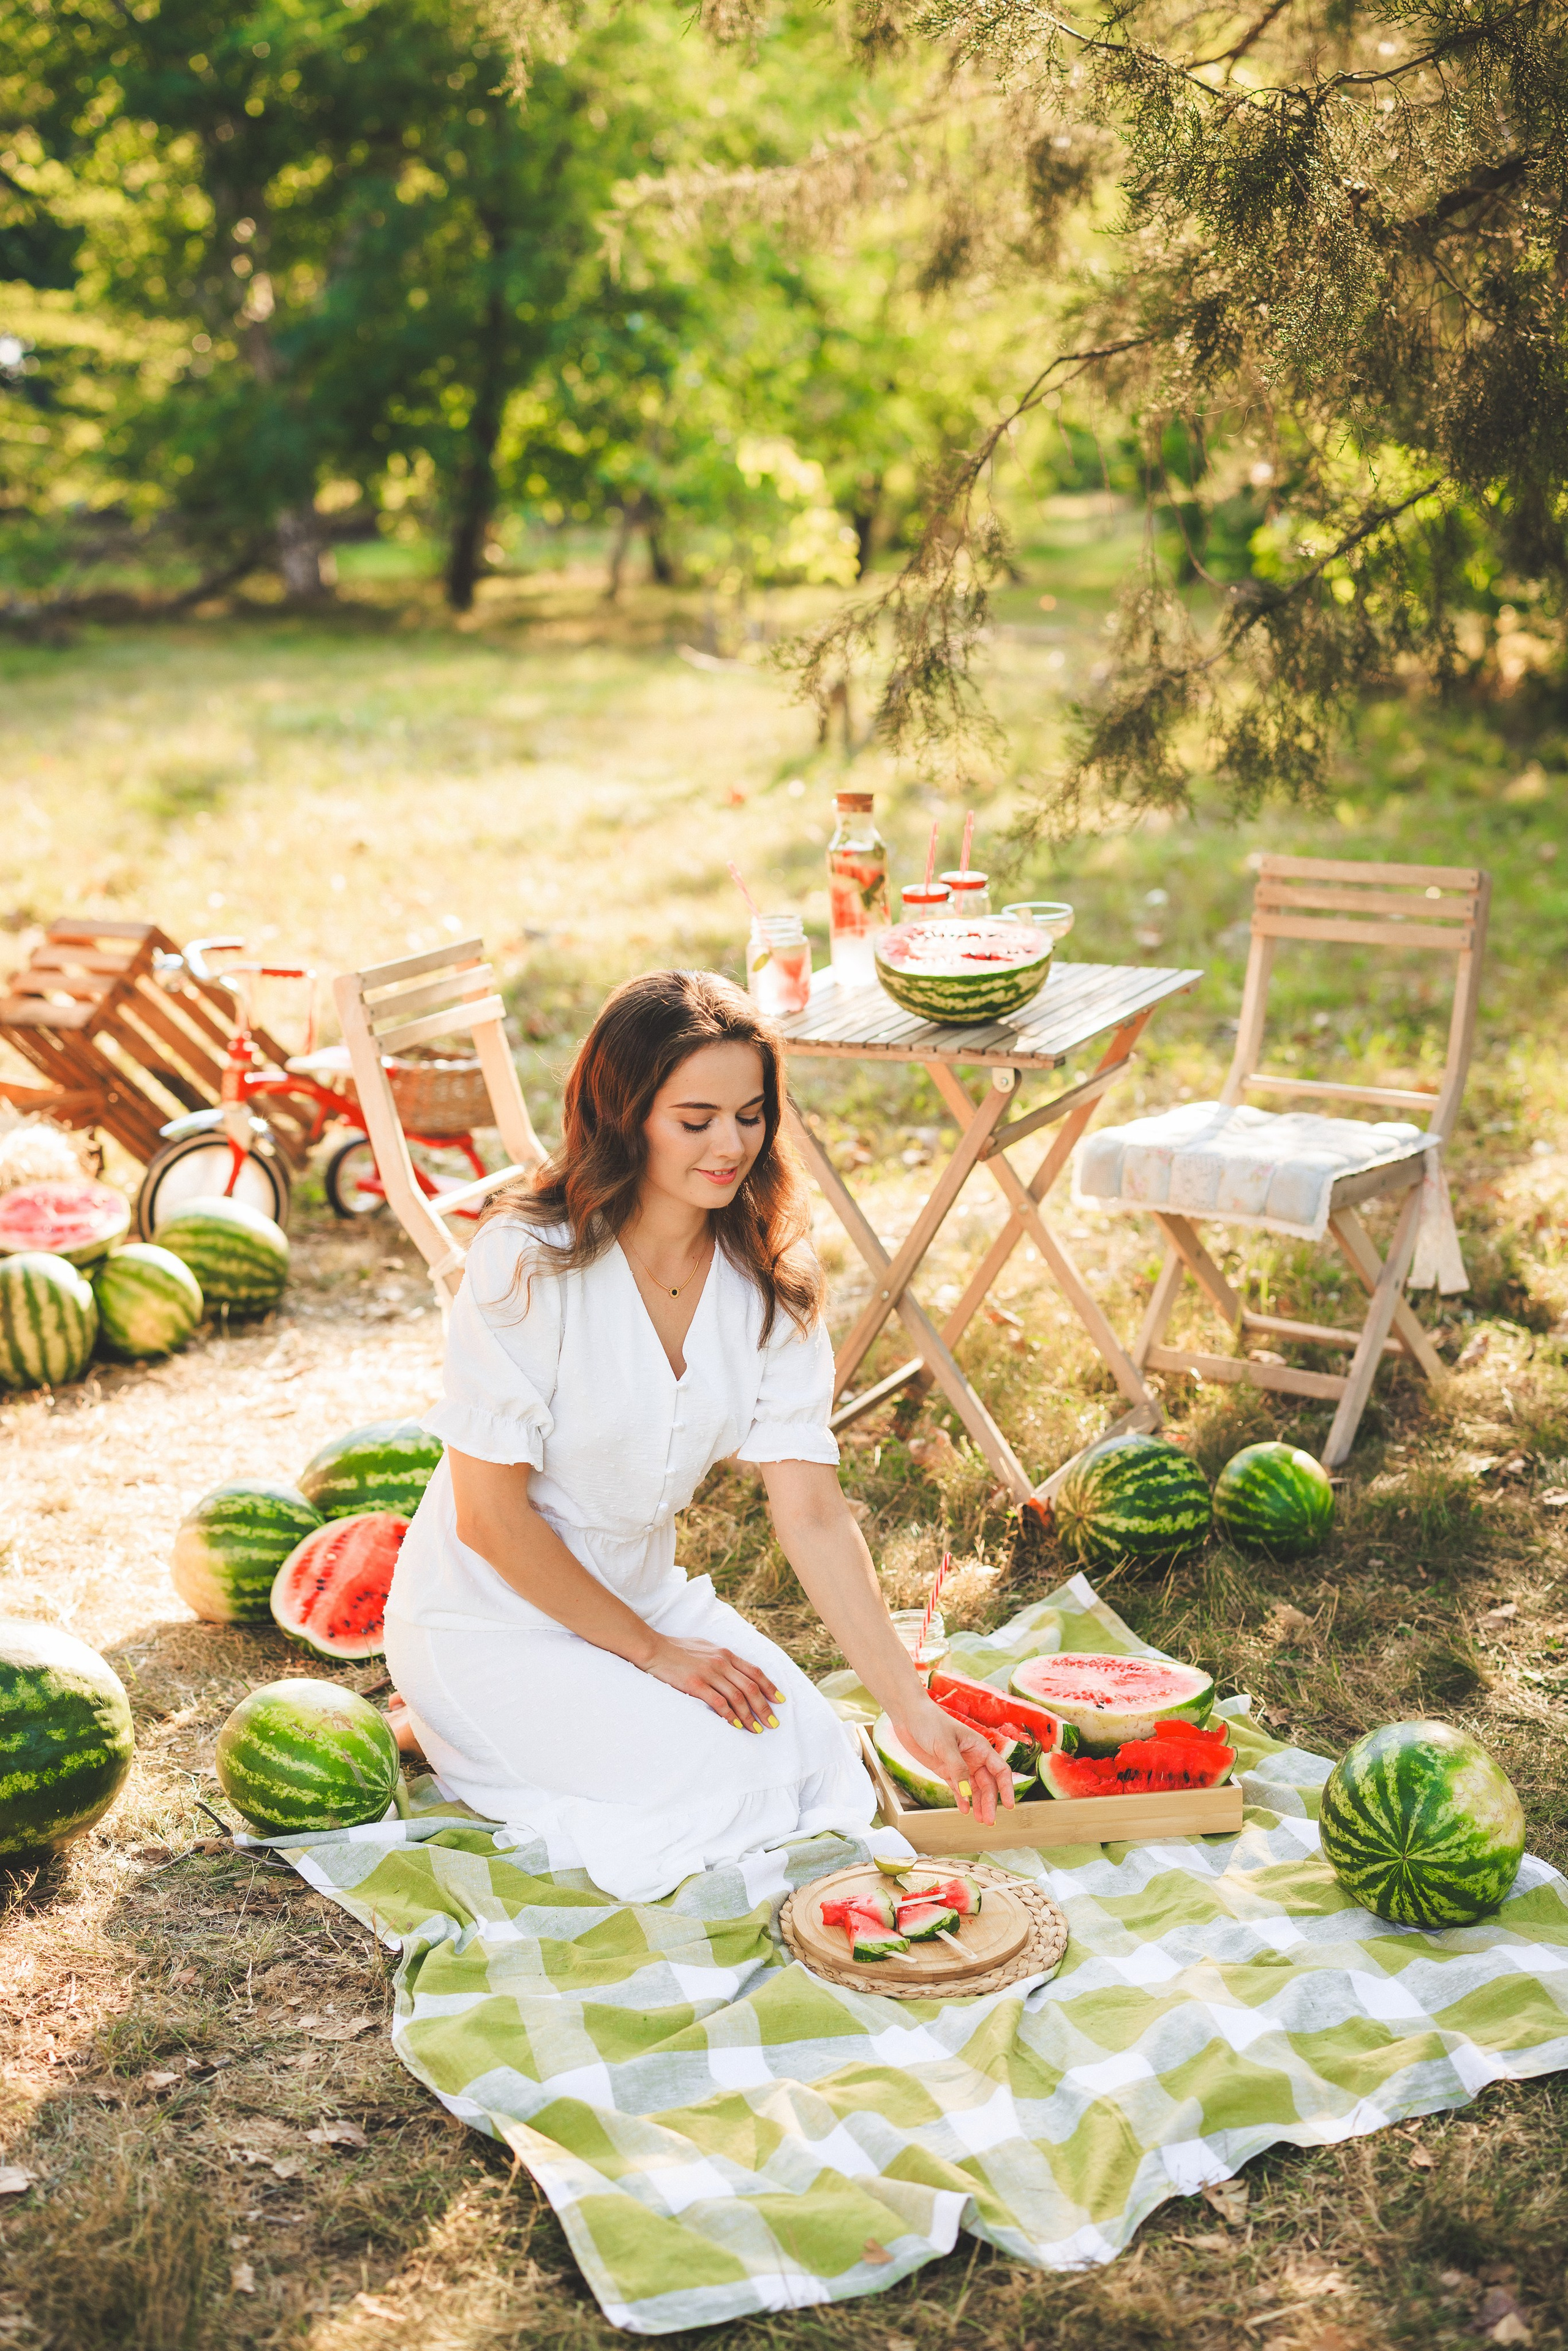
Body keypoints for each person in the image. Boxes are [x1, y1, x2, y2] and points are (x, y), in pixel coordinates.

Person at [383, 968, 1013, 1902]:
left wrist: (910, 1706)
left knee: (816, 1765)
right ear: (625, 1113)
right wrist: (654, 1654)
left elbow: (811, 1514)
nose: (731, 1145)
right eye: (697, 1118)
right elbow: (488, 1520)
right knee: (728, 1793)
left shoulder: (771, 1275)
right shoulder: (525, 1263)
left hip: (645, 1600)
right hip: (491, 1617)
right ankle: (445, 1721)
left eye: (751, 1114)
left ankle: (529, 1729)